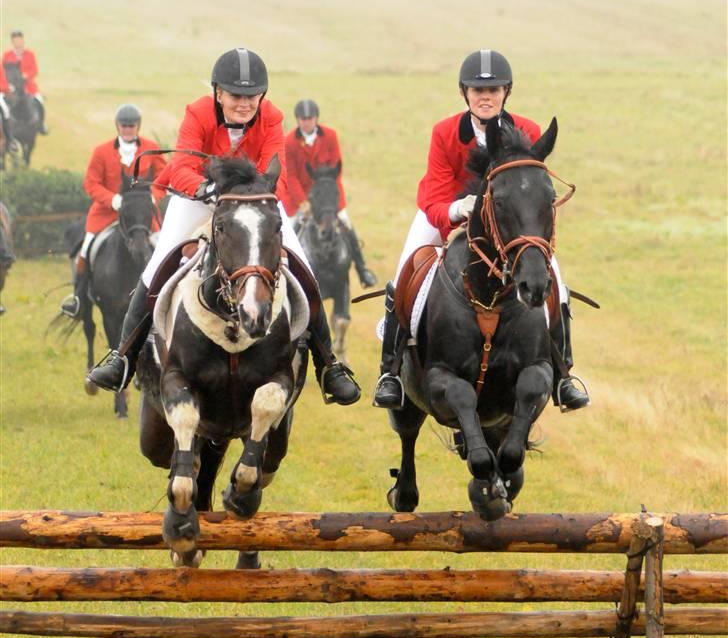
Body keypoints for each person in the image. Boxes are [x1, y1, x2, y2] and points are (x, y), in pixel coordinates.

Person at [87, 48, 361, 406]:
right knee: (159, 265)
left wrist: (250, 193)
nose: (245, 104)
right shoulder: (197, 113)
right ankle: (122, 356)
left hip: (252, 200)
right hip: (198, 196)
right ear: (218, 92)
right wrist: (206, 188)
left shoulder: (272, 118)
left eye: (252, 96)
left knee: (302, 264)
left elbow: (275, 170)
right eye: (236, 96)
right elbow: (183, 165)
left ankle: (329, 364)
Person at [373, 48, 590, 412]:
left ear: (507, 92)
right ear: (465, 94)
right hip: (445, 212)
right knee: (406, 272)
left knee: (554, 278)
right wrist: (460, 208)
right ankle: (390, 372)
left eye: (494, 90)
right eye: (477, 90)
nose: (485, 96)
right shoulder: (445, 133)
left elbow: (528, 189)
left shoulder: (528, 130)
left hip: (505, 226)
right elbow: (437, 194)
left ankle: (564, 374)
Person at [59, 104, 166, 318]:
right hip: (107, 212)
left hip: (140, 214)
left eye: (131, 125)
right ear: (117, 126)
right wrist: (112, 199)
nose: (127, 129)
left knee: (164, 249)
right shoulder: (101, 151)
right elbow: (91, 183)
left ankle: (165, 295)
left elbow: (165, 177)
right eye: (124, 125)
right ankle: (78, 298)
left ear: (138, 126)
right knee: (86, 249)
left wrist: (153, 196)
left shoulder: (151, 148)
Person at [284, 99, 376, 289]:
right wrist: (303, 201)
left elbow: (336, 168)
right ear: (298, 120)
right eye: (302, 119)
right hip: (300, 198)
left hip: (328, 197)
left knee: (346, 224)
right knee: (290, 230)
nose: (306, 122)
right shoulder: (290, 142)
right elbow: (291, 176)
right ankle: (286, 273)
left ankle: (362, 269)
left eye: (309, 118)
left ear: (316, 118)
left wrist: (322, 198)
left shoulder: (330, 136)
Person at [2, 30, 48, 134]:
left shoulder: (30, 54)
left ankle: (41, 124)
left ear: (22, 41)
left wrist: (26, 75)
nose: (17, 42)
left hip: (28, 86)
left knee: (39, 100)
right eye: (15, 40)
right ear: (12, 42)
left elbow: (35, 69)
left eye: (19, 40)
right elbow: (3, 70)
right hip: (12, 87)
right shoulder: (7, 55)